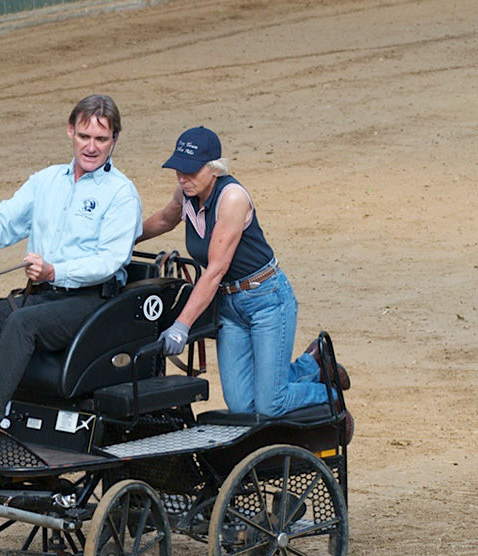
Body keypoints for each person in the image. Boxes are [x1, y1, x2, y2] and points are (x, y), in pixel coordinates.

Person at [0, 94, 142, 425]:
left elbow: (108, 261)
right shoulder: (46, 181)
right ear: (70, 132)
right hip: (40, 299)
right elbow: (7, 216)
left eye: (101, 139)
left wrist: (54, 271)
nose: (91, 147)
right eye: (84, 136)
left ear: (114, 139)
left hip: (90, 303)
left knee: (22, 323)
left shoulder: (121, 194)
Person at [138, 126, 350, 424]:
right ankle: (311, 364)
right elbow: (163, 219)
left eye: (190, 171)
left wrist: (181, 326)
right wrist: (124, 243)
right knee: (241, 407)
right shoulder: (186, 192)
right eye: (178, 171)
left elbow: (215, 270)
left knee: (270, 405)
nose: (183, 177)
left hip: (266, 299)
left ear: (214, 169)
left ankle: (328, 396)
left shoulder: (232, 198)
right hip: (228, 305)